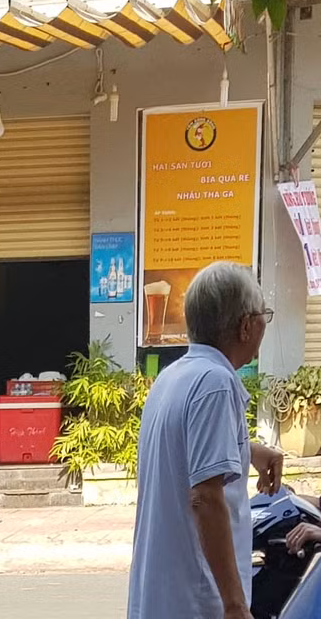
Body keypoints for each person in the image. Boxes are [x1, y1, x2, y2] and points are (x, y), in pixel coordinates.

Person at [128, 262, 285, 619]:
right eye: (263, 314)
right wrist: (233, 605)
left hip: (161, 598)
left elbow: (183, 455)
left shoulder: (172, 378)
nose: (264, 324)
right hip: (198, 602)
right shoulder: (215, 383)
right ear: (246, 325)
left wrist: (248, 451)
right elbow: (206, 497)